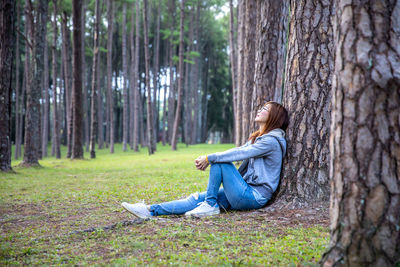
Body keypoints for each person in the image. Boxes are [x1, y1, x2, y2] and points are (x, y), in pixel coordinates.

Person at [121, 101, 289, 218]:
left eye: (265, 109)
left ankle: (210, 205)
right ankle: (149, 210)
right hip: (243, 190)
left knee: (220, 162)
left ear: (274, 117)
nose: (260, 110)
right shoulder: (259, 138)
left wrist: (210, 158)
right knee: (195, 199)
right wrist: (212, 158)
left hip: (254, 196)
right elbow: (239, 150)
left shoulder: (271, 142)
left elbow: (240, 155)